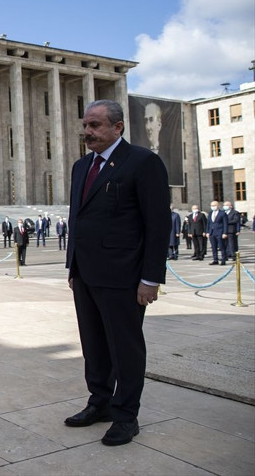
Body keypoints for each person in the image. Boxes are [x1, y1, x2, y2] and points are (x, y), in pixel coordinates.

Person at [64, 99, 169, 447]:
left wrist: (150, 278)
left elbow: (157, 225)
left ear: (117, 126)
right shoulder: (82, 166)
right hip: (85, 273)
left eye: (95, 125)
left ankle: (126, 415)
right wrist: (73, 266)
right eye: (85, 125)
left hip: (124, 276)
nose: (87, 132)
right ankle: (100, 402)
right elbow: (78, 218)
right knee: (93, 345)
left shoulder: (142, 162)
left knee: (125, 348)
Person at [206, 200, 228, 265]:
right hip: (212, 232)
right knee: (213, 247)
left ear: (218, 206)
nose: (213, 207)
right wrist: (207, 232)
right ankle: (215, 259)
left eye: (214, 205)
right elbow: (208, 223)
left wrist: (225, 233)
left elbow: (225, 224)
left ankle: (223, 260)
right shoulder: (210, 213)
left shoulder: (222, 213)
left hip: (220, 232)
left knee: (221, 247)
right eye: (211, 205)